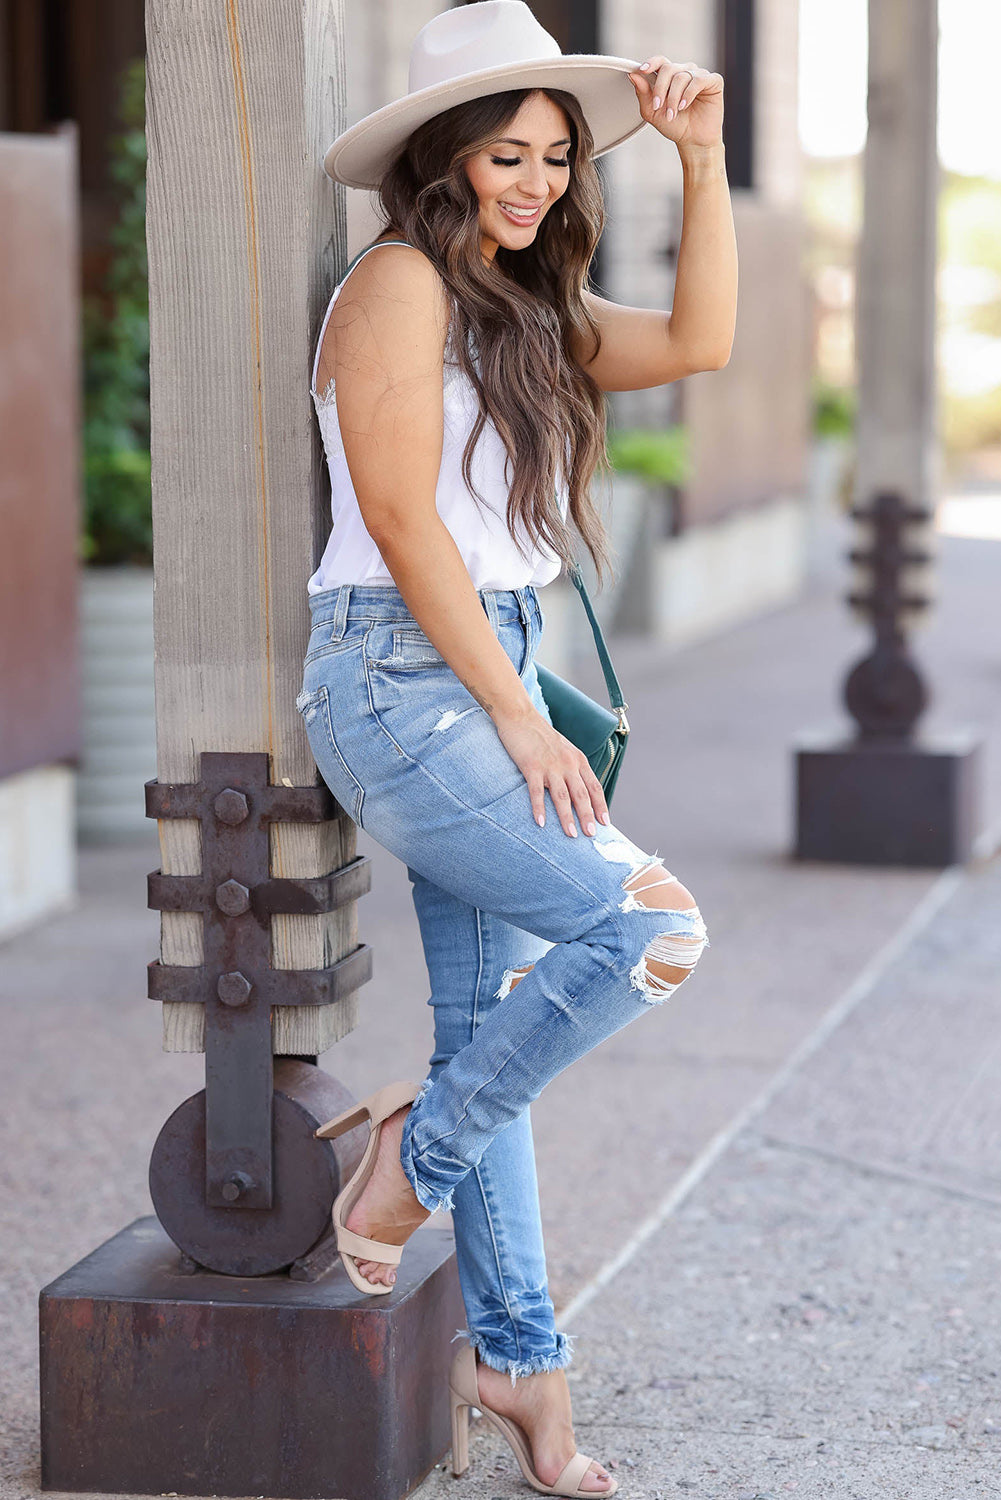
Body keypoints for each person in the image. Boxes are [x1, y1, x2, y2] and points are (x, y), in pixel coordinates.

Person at [296, 4, 737, 1494]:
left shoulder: (520, 306)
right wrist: (510, 708)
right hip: (400, 681)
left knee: (487, 1023)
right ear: (444, 158)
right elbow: (400, 518)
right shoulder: (398, 284)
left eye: (555, 157)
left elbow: (700, 340)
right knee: (653, 929)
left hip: (482, 661)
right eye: (506, 155)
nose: (537, 181)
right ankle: (412, 1157)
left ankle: (521, 1364)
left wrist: (701, 156)